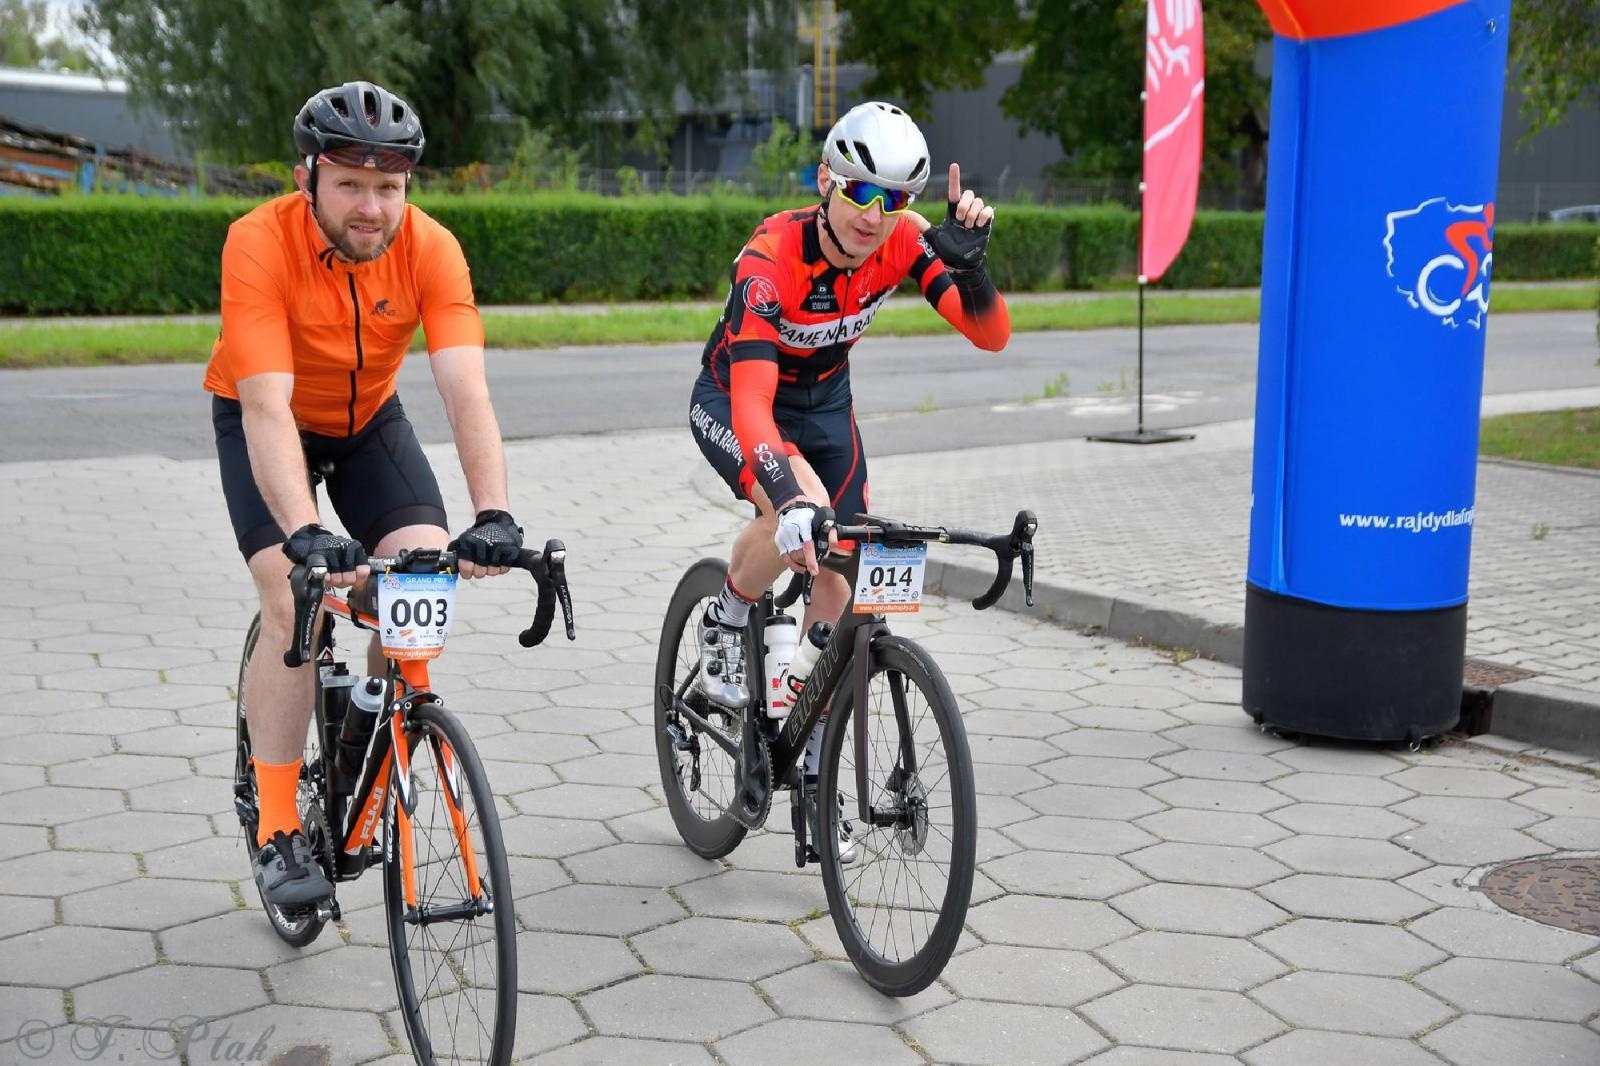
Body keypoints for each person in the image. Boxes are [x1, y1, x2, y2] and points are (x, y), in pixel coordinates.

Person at [205, 81, 524, 909]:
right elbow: (266, 406)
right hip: (264, 418)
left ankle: (366, 726)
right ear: (306, 178)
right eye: (349, 183)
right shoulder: (257, 242)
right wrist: (305, 531)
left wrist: (494, 512)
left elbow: (465, 388)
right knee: (294, 599)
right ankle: (279, 824)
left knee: (421, 577)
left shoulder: (432, 248)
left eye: (388, 186)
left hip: (368, 422)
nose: (371, 207)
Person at [687, 100, 1010, 848]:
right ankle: (727, 611)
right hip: (739, 399)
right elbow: (753, 405)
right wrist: (791, 500)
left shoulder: (901, 238)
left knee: (846, 560)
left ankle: (809, 740)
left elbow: (990, 334)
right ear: (826, 180)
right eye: (861, 191)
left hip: (826, 406)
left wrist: (974, 270)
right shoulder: (771, 257)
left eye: (893, 198)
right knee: (800, 508)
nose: (874, 214)